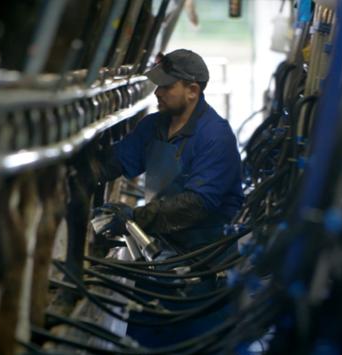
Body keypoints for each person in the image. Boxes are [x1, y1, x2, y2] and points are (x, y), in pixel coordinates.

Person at [91, 48, 244, 253]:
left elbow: (196, 204)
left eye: (166, 86)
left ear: (192, 91)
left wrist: (134, 218)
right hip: (159, 246)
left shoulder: (216, 136)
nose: (157, 92)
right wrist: (84, 172)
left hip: (205, 255)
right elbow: (118, 160)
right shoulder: (153, 126)